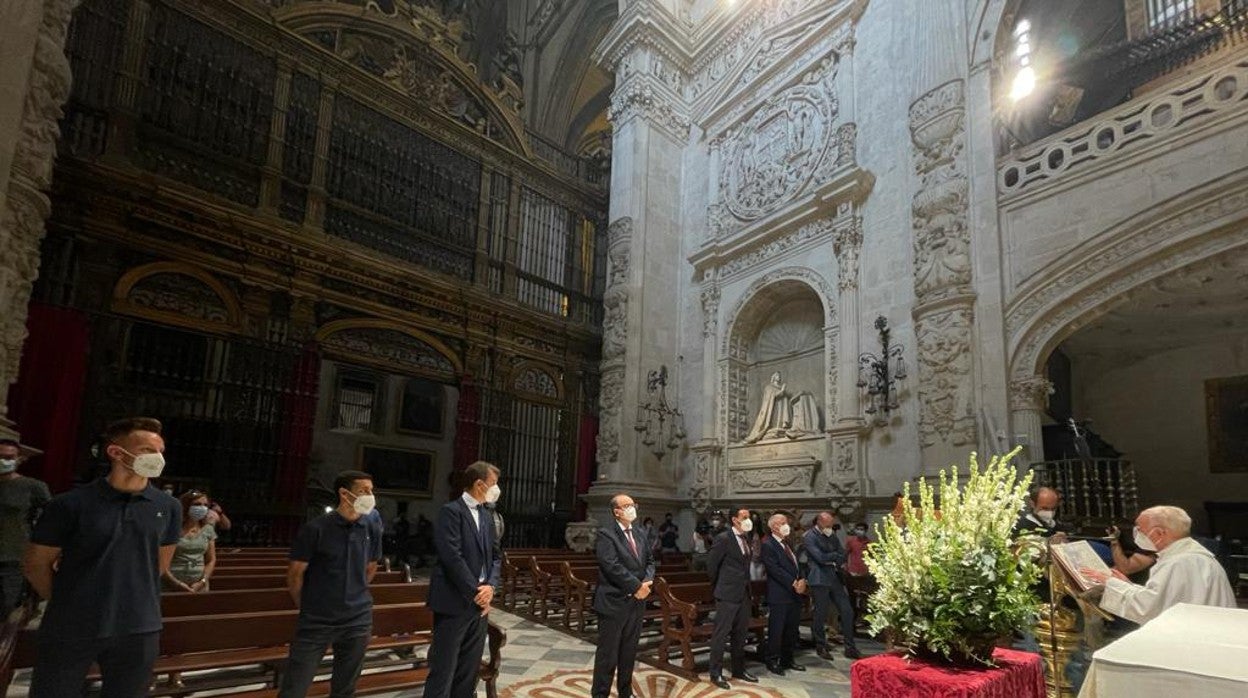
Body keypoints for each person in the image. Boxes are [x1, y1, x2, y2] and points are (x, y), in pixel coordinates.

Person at [23, 417, 181, 697]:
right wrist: (68, 600)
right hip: (73, 626)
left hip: (139, 626)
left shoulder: (168, 506)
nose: (156, 458)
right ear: (116, 453)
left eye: (160, 451)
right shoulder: (70, 504)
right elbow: (36, 563)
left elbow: (159, 564)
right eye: (147, 450)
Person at [278, 470, 384, 697]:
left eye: (371, 490)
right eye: (363, 491)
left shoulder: (370, 525)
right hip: (318, 620)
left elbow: (372, 565)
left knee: (345, 687)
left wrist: (355, 592)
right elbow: (295, 574)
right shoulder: (316, 528)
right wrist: (306, 605)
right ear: (345, 494)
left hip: (357, 618)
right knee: (295, 686)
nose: (370, 495)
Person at [424, 461, 502, 698]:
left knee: (468, 670)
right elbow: (451, 556)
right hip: (454, 601)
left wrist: (490, 586)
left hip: (479, 605)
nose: (496, 489)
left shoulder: (488, 516)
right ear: (479, 484)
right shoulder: (451, 511)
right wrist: (476, 591)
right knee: (444, 669)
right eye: (493, 484)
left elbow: (496, 556)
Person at [1080, 505, 1235, 624]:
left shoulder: (1179, 563)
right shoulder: (1186, 556)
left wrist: (1110, 583)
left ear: (1160, 533)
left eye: (1140, 530)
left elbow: (1149, 609)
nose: (1137, 534)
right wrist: (1126, 585)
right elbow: (1163, 598)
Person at [590, 494, 654, 698]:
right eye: (626, 506)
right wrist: (636, 585)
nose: (632, 508)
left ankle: (625, 692)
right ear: (616, 511)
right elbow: (611, 565)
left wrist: (646, 582)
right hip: (613, 602)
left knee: (628, 653)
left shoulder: (640, 532)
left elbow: (650, 561)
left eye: (633, 504)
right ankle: (600, 694)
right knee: (607, 656)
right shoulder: (606, 534)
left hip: (636, 603)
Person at [705, 507, 759, 690]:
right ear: (735, 519)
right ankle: (716, 673)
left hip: (744, 593)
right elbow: (711, 566)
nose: (748, 519)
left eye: (748, 516)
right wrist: (720, 586)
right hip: (727, 593)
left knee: (740, 634)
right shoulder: (723, 538)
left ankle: (738, 669)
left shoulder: (746, 537)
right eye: (744, 517)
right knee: (721, 634)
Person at [0, 438, 50, 613]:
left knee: (7, 606)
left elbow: (50, 518)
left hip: (13, 555)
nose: (3, 461)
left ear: (19, 459)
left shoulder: (32, 487)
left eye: (9, 457)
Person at [804, 512, 862, 660]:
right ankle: (820, 645)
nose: (830, 527)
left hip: (834, 576)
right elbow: (819, 558)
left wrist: (833, 556)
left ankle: (850, 646)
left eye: (831, 524)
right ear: (819, 522)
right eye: (827, 525)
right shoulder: (810, 536)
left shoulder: (831, 535)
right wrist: (833, 556)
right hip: (819, 578)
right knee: (821, 612)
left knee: (847, 610)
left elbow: (842, 553)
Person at [761, 513, 806, 676]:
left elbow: (796, 565)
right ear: (774, 527)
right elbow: (774, 569)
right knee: (777, 630)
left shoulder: (788, 544)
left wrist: (802, 579)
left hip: (794, 594)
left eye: (786, 522)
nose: (786, 525)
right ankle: (772, 660)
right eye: (782, 523)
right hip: (779, 594)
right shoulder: (768, 545)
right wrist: (793, 583)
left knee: (791, 630)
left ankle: (788, 659)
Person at [164, 490, 217, 592]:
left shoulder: (207, 529)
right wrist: (176, 584)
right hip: (171, 583)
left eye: (205, 505)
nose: (202, 508)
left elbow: (211, 560)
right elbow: (161, 561)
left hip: (198, 585)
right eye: (197, 504)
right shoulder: (171, 528)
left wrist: (203, 581)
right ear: (185, 505)